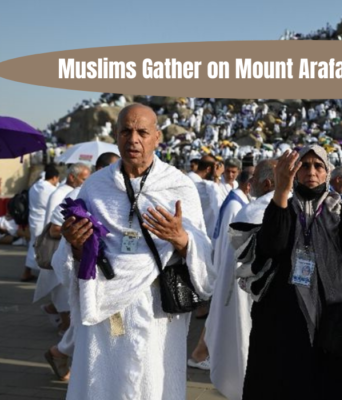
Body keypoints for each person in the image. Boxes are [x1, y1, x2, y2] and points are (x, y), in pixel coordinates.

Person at [51, 104, 213, 399]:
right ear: (117, 135)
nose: (133, 139)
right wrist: (74, 244)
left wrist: (181, 239)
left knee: (152, 383)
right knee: (104, 381)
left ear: (157, 138)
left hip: (156, 308)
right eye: (126, 131)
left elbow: (203, 249)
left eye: (142, 132)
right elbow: (71, 254)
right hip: (107, 304)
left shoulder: (178, 186)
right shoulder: (95, 186)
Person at [241, 145, 342, 400]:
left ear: (327, 173)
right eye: (304, 165)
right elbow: (272, 245)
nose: (311, 171)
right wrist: (281, 189)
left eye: (318, 166)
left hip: (331, 320)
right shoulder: (282, 206)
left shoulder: (339, 209)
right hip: (284, 319)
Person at [203, 160, 276, 400]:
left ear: (266, 183)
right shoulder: (258, 210)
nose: (248, 184)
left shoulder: (255, 209)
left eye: (253, 180)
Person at [44, 152, 120, 382]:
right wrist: (77, 239)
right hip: (87, 272)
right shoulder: (80, 194)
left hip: (116, 276)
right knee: (91, 323)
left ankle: (62, 354)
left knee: (107, 326)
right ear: (102, 169)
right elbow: (54, 228)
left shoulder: (120, 193)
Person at [188, 170, 253, 371]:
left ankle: (203, 354)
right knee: (218, 314)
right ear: (249, 185)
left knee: (219, 314)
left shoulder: (238, 201)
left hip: (229, 267)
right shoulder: (236, 205)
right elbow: (230, 241)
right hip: (229, 268)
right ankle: (199, 355)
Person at [35, 162, 91, 335]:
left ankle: (55, 314)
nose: (85, 182)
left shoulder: (74, 192)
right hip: (58, 248)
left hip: (69, 250)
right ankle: (64, 328)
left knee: (64, 291)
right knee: (62, 291)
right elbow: (54, 226)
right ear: (72, 177)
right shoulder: (61, 194)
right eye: (83, 179)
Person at [23, 164, 60, 282]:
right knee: (43, 249)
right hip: (43, 223)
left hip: (33, 221)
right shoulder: (51, 190)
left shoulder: (35, 186)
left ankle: (27, 272)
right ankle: (42, 278)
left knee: (33, 246)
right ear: (54, 177)